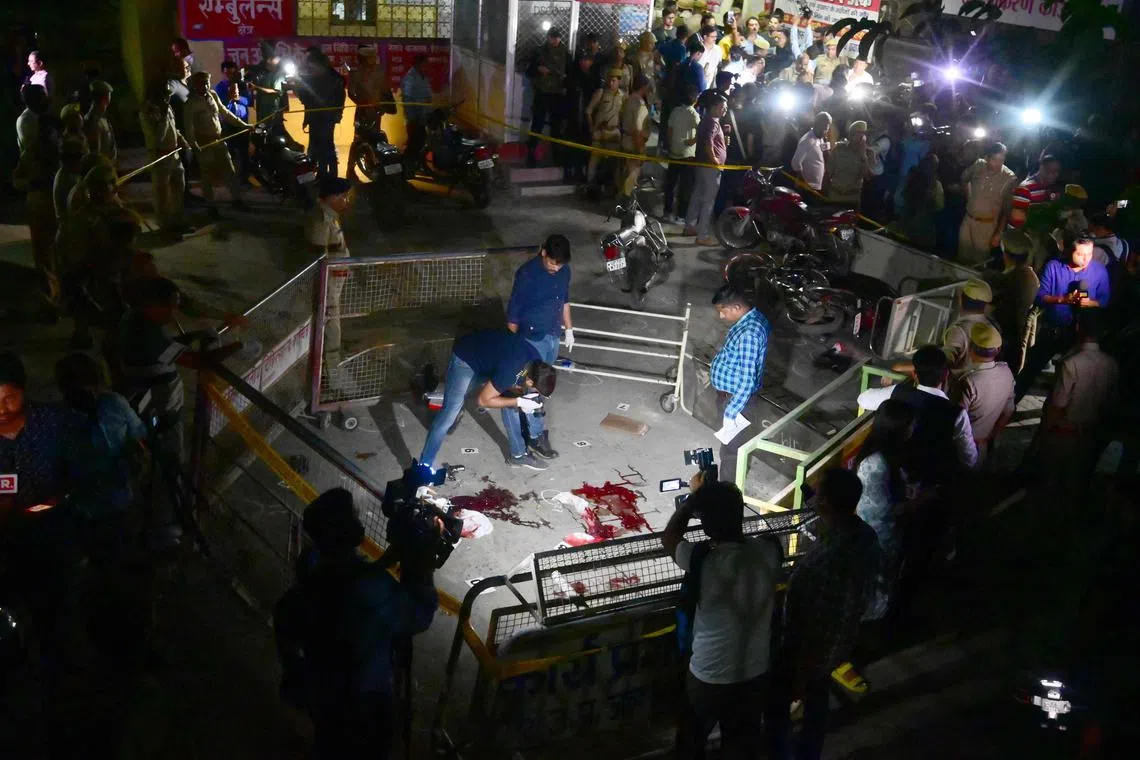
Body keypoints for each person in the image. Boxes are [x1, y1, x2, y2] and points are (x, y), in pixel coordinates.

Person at [274, 487, 438, 760]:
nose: (360, 521)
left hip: (324, 695)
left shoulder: (312, 574)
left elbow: (287, 618)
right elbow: (418, 614)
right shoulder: (370, 591)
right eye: (354, 517)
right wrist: (420, 567)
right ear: (344, 530)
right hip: (365, 701)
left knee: (329, 745)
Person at [663, 474, 782, 759]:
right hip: (755, 671)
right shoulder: (770, 550)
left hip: (709, 675)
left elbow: (669, 537)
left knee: (691, 743)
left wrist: (691, 503)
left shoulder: (702, 560)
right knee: (741, 745)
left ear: (705, 523)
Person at [767, 468, 879, 760]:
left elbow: (816, 620)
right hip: (839, 645)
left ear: (826, 502)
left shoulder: (830, 559)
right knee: (817, 706)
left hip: (806, 651)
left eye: (817, 494)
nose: (812, 499)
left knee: (780, 712)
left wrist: (801, 672)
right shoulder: (864, 535)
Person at [0, 352, 84, 667]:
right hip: (10, 533)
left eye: (10, 398)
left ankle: (57, 651)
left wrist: (64, 495)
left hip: (55, 525)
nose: (1, 409)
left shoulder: (52, 422)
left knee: (58, 594)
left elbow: (85, 462)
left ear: (24, 391)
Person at [417, 330, 557, 471]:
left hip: (492, 360)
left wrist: (519, 398)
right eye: (537, 391)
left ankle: (518, 455)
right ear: (531, 381)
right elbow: (483, 401)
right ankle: (424, 466)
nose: (535, 394)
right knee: (449, 414)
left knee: (510, 399)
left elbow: (514, 380)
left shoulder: (537, 362)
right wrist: (519, 402)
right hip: (467, 358)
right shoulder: (512, 370)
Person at [54, 352, 147, 564]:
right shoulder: (114, 403)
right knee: (121, 544)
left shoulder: (57, 418)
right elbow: (140, 432)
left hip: (85, 504)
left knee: (95, 551)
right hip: (120, 495)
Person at [858, 345, 979, 484]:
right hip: (932, 482)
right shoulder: (957, 414)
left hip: (897, 475)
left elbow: (863, 399)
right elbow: (969, 459)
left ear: (914, 374)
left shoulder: (898, 392)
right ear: (945, 375)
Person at [1015, 231, 1111, 402]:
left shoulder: (1099, 271)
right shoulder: (1053, 266)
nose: (1085, 259)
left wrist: (1089, 303)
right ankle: (1009, 404)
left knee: (1066, 378)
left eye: (1089, 254)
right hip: (1052, 329)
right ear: (1068, 251)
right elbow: (1040, 297)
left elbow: (1105, 300)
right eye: (1080, 254)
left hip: (1079, 335)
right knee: (1030, 370)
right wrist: (1063, 299)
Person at [504, 235, 572, 461]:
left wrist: (568, 329)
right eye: (553, 262)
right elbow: (513, 316)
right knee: (524, 389)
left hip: (552, 336)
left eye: (560, 264)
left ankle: (533, 432)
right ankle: (531, 436)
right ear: (543, 252)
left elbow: (564, 301)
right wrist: (515, 347)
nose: (556, 267)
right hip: (530, 339)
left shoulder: (564, 271)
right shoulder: (527, 275)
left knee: (540, 387)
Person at [1037, 311, 1119, 497]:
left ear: (1077, 328)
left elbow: (1057, 406)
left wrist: (1044, 435)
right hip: (1089, 437)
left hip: (1063, 437)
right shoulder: (1112, 364)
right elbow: (1110, 404)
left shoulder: (1071, 364)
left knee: (1052, 488)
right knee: (1076, 488)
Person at [852, 399, 914, 622]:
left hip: (885, 538)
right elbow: (879, 512)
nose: (912, 429)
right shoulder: (876, 465)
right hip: (878, 538)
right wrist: (919, 502)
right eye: (909, 425)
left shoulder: (887, 455)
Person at [708, 286, 769, 483]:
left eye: (723, 311)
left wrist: (731, 412)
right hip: (732, 396)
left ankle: (726, 491)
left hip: (736, 400)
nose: (721, 316)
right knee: (731, 445)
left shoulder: (749, 334)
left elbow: (747, 379)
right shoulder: (752, 318)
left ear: (736, 307)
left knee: (731, 450)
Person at [12, 83, 58, 305]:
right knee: (43, 246)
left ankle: (58, 290)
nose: (46, 98)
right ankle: (49, 294)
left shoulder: (46, 120)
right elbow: (32, 156)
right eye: (41, 95)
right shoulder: (29, 122)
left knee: (55, 244)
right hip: (39, 188)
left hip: (50, 187)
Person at [184, 71, 249, 219]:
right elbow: (189, 128)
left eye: (207, 82)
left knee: (230, 171)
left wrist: (244, 125)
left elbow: (224, 112)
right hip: (203, 143)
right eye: (202, 83)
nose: (206, 86)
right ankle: (210, 206)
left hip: (219, 139)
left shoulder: (212, 95)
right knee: (207, 177)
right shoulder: (190, 104)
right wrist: (194, 145)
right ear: (195, 85)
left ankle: (236, 200)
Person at [307, 177, 354, 367]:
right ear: (331, 197)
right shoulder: (321, 220)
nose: (346, 201)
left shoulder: (330, 215)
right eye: (343, 197)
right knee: (331, 324)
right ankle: (331, 367)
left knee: (332, 321)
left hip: (335, 278)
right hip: (327, 281)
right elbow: (318, 258)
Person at [138, 81, 191, 239]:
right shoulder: (147, 112)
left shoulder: (167, 108)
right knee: (162, 193)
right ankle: (165, 225)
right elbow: (156, 138)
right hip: (159, 156)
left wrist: (183, 141)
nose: (167, 99)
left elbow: (174, 129)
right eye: (164, 96)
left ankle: (177, 221)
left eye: (168, 96)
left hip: (173, 154)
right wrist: (162, 117)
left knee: (178, 189)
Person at [958, 141, 1016, 266]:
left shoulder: (1009, 178)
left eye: (1002, 159)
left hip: (987, 225)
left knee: (978, 262)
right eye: (994, 159)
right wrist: (969, 198)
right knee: (961, 258)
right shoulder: (978, 165)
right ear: (987, 157)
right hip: (968, 219)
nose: (998, 163)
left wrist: (999, 233)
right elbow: (964, 180)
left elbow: (1007, 208)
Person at [992, 229, 1041, 374]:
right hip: (1016, 345)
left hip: (1000, 346)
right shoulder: (1032, 277)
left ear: (1005, 254)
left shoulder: (1007, 280)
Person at [685, 92, 728, 245]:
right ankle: (702, 235)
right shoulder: (713, 122)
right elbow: (708, 143)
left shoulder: (706, 120)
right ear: (714, 107)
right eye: (722, 107)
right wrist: (715, 159)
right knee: (708, 200)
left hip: (702, 165)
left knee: (697, 195)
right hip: (710, 167)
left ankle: (689, 226)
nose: (724, 110)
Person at [295, 50, 345, 178]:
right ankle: (327, 176)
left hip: (323, 119)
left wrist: (297, 88)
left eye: (310, 65)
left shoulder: (320, 79)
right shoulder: (334, 77)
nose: (309, 68)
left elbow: (306, 99)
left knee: (323, 148)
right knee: (325, 147)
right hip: (323, 118)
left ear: (317, 64)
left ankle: (325, 177)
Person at [347, 45, 390, 182]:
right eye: (369, 57)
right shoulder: (355, 73)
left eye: (374, 56)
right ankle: (350, 169)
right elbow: (351, 93)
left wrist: (382, 107)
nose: (373, 60)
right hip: (362, 113)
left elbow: (384, 91)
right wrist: (363, 104)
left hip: (377, 112)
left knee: (376, 139)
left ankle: (373, 165)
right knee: (358, 141)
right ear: (363, 59)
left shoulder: (380, 72)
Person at [526, 28, 568, 168]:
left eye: (557, 37)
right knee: (537, 125)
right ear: (548, 37)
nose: (555, 40)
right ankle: (531, 154)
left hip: (557, 95)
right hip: (542, 93)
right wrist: (538, 70)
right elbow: (529, 71)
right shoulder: (539, 52)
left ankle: (557, 156)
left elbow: (569, 73)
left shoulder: (565, 54)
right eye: (552, 37)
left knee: (556, 127)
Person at [941, 279, 998, 371]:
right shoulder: (992, 326)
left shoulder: (959, 330)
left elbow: (943, 362)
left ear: (961, 299)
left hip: (958, 382)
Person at [584, 67, 626, 190]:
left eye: (614, 80)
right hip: (600, 131)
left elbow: (623, 115)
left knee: (616, 163)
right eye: (609, 80)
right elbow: (588, 111)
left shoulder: (623, 96)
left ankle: (613, 188)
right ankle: (590, 186)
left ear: (619, 81)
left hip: (614, 132)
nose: (611, 83)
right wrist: (592, 129)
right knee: (594, 161)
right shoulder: (601, 93)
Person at [664, 84, 700, 224]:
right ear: (694, 99)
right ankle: (681, 215)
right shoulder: (693, 113)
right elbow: (701, 131)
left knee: (670, 185)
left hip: (674, 153)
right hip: (688, 155)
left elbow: (669, 131)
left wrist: (671, 145)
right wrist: (691, 142)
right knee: (685, 187)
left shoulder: (675, 111)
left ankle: (667, 212)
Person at [893, 152, 944, 251]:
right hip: (923, 233)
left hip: (904, 228)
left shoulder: (911, 177)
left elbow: (898, 198)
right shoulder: (936, 185)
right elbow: (939, 206)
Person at [564, 49, 600, 183]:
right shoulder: (573, 76)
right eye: (583, 60)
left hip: (588, 117)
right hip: (573, 116)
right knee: (571, 143)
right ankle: (569, 170)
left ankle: (581, 171)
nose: (586, 63)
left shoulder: (594, 77)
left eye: (588, 60)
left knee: (585, 143)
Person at [822, 120, 872, 206]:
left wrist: (863, 157)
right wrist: (823, 193)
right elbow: (828, 173)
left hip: (852, 198)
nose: (860, 137)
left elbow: (867, 176)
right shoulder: (839, 148)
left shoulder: (869, 153)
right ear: (851, 134)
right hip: (835, 195)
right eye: (857, 133)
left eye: (863, 134)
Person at [247, 39, 290, 139]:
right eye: (262, 49)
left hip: (273, 110)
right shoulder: (261, 67)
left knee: (274, 133)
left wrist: (256, 88)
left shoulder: (278, 68)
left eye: (264, 49)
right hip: (261, 109)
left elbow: (276, 91)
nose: (263, 51)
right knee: (261, 133)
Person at [619, 73, 652, 200]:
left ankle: (621, 201)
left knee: (624, 174)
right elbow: (637, 130)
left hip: (625, 140)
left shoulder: (628, 100)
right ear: (644, 87)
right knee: (632, 177)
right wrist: (641, 149)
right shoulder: (640, 106)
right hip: (634, 144)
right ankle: (626, 203)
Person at [401, 53, 434, 168]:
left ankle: (417, 165)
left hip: (423, 117)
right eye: (425, 64)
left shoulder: (423, 77)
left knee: (421, 142)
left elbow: (428, 96)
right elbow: (407, 99)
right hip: (414, 118)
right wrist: (412, 119)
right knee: (414, 143)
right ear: (418, 64)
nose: (428, 67)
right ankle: (406, 166)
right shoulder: (410, 78)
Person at [790, 111, 831, 191]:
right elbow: (795, 163)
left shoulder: (821, 138)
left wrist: (826, 143)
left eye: (827, 129)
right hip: (807, 188)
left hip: (816, 187)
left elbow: (827, 157)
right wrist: (804, 183)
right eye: (825, 129)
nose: (826, 132)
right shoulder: (807, 140)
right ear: (817, 124)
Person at [222, 80, 251, 185]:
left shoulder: (244, 100)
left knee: (244, 156)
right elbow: (223, 114)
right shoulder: (224, 103)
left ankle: (245, 179)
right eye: (232, 89)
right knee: (231, 156)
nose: (235, 92)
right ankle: (231, 180)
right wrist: (229, 100)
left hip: (243, 131)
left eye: (236, 89)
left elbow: (248, 107)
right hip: (230, 131)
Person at [84, 80, 117, 167]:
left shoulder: (101, 118)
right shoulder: (93, 120)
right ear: (105, 97)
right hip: (100, 169)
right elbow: (95, 152)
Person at [698, 25, 722, 90]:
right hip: (697, 82)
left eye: (716, 36)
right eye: (712, 37)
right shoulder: (698, 48)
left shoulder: (718, 49)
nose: (715, 39)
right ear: (705, 37)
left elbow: (718, 65)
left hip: (710, 83)